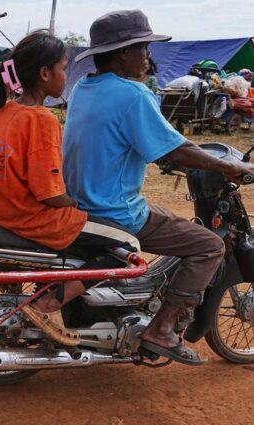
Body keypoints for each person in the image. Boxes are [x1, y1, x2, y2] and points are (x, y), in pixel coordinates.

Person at [63, 10, 254, 364]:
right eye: (144, 47)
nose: (148, 55)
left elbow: (130, 141)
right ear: (124, 52)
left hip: (80, 203)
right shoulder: (133, 95)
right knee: (208, 246)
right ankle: (162, 330)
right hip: (114, 212)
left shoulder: (83, 88)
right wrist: (231, 166)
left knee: (168, 218)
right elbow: (177, 147)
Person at [0, 30, 140, 346]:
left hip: (2, 211)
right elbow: (51, 194)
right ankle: (44, 307)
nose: (66, 77)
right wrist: (78, 204)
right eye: (64, 68)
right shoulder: (41, 119)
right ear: (44, 73)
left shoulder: (6, 110)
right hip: (33, 219)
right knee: (128, 247)